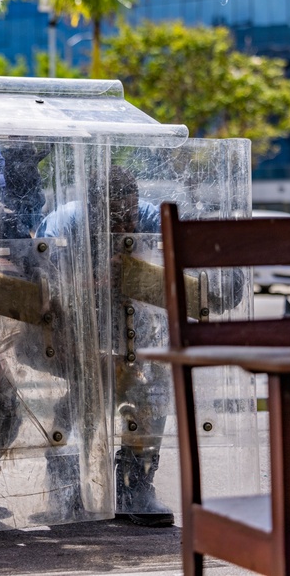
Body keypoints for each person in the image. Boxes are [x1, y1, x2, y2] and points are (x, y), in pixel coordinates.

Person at [37, 165, 172, 527]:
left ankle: (135, 482)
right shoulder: (64, 223)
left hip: (134, 327)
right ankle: (67, 479)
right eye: (114, 218)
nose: (125, 226)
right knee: (87, 393)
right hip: (71, 328)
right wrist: (98, 279)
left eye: (129, 214)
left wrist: (139, 269)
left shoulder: (152, 217)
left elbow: (182, 265)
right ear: (93, 210)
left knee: (152, 390)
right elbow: (45, 289)